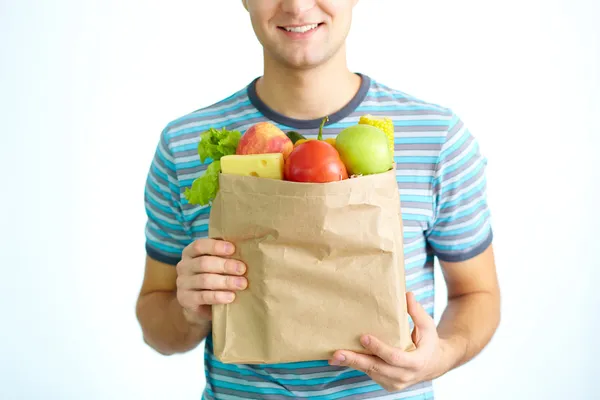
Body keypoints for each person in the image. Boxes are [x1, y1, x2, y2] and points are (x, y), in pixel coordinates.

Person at [135, 1, 501, 398]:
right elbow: (157, 326)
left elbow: (477, 294)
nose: (296, 5)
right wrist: (190, 312)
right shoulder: (185, 145)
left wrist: (439, 357)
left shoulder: (437, 138)